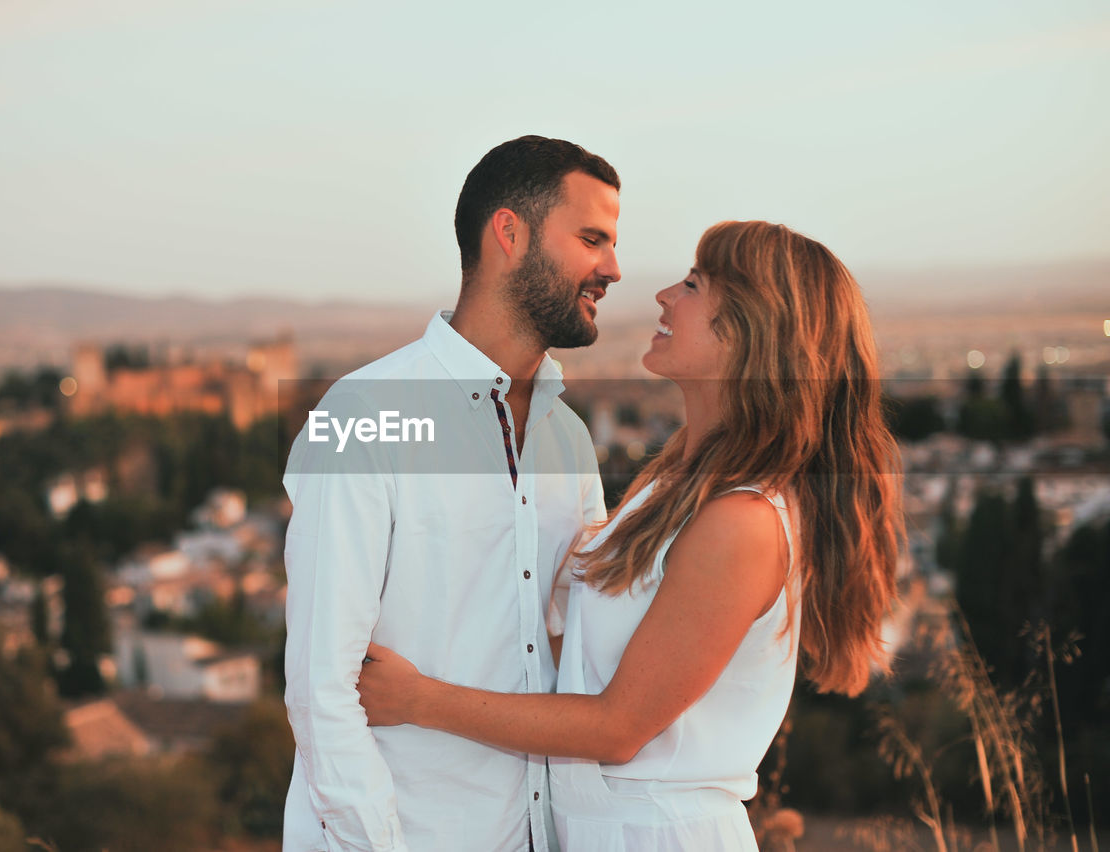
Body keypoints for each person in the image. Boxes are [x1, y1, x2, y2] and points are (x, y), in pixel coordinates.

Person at [357, 220, 904, 850]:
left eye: (695, 284)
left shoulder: (744, 521)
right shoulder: (673, 485)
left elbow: (618, 728)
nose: (665, 295)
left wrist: (418, 700)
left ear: (754, 328)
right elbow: (586, 666)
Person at [281, 135, 622, 851]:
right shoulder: (365, 414)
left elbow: (577, 652)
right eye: (592, 239)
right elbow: (322, 689)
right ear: (509, 232)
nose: (612, 269)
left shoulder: (568, 442)